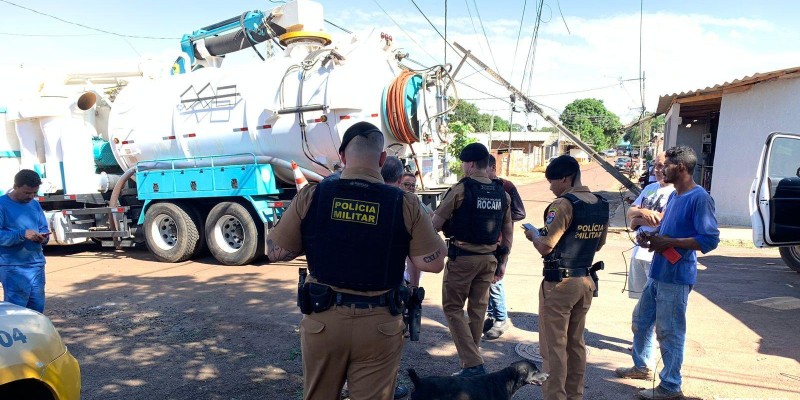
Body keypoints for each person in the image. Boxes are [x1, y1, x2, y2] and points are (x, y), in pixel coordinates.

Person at [265, 122, 447, 400]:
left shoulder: (313, 195)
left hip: (323, 321)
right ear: (382, 159)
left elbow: (275, 251)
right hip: (380, 325)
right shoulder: (405, 203)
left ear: (341, 156)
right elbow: (433, 263)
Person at [616, 146, 719, 400]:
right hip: (659, 272)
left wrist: (670, 243)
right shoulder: (674, 196)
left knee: (670, 332)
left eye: (667, 165)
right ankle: (641, 367)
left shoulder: (699, 198)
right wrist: (652, 239)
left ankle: (671, 387)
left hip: (676, 276)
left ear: (681, 168)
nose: (660, 170)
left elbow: (709, 239)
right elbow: (667, 228)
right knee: (641, 321)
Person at [525, 155, 608, 400]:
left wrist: (533, 235)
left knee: (553, 349)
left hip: (560, 285)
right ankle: (574, 396)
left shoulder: (563, 204)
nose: (550, 187)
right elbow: (599, 244)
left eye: (552, 181)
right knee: (575, 344)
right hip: (585, 282)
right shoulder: (599, 203)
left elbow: (546, 246)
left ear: (564, 178)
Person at [432, 143, 513, 377]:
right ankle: (470, 363)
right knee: (477, 310)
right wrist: (503, 260)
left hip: (463, 259)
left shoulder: (460, 189)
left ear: (468, 164)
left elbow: (435, 224)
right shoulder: (502, 193)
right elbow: (507, 230)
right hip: (489, 259)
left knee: (453, 308)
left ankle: (472, 363)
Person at [483, 155, 526, 340]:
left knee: (495, 280)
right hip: (484, 242)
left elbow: (519, 212)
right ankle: (493, 316)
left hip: (500, 242)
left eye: (483, 167)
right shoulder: (478, 186)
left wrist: (499, 216)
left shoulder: (506, 186)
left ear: (492, 168)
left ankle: (501, 319)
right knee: (486, 281)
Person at [0, 169, 49, 313]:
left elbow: (43, 227)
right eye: (27, 193)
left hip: (36, 264)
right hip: (13, 266)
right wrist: (22, 234)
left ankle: (36, 334)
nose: (31, 196)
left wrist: (44, 237)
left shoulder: (35, 204)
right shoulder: (2, 205)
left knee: (37, 308)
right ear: (15, 186)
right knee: (17, 311)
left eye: (34, 193)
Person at [626, 152, 674, 299]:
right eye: (655, 165)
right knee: (640, 302)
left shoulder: (676, 192)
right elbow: (630, 212)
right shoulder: (650, 188)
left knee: (657, 300)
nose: (656, 170)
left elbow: (661, 220)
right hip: (638, 252)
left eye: (660, 166)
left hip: (657, 255)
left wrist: (637, 220)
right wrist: (644, 211)